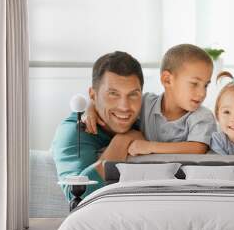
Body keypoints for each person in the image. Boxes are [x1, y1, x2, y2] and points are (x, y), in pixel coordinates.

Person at [84, 44, 217, 155]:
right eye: (194, 84)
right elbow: (118, 104)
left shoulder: (203, 117)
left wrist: (149, 147)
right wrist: (90, 109)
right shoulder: (146, 103)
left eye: (206, 85)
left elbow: (197, 148)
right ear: (167, 80)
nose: (202, 93)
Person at [52, 51, 145, 201]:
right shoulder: (73, 131)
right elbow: (77, 197)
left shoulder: (148, 117)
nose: (124, 106)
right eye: (113, 94)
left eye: (133, 94)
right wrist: (123, 140)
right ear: (93, 96)